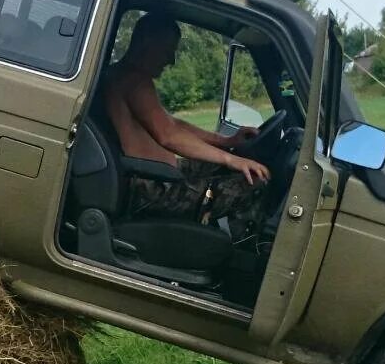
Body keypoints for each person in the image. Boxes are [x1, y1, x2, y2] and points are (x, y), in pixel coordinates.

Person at [100, 13, 271, 225]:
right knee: (253, 183)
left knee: (228, 168)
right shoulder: (134, 81)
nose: (171, 60)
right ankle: (243, 252)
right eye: (167, 51)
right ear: (147, 42)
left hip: (157, 179)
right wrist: (232, 159)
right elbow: (168, 136)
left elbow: (172, 124)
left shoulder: (121, 75)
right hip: (153, 190)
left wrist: (226, 142)